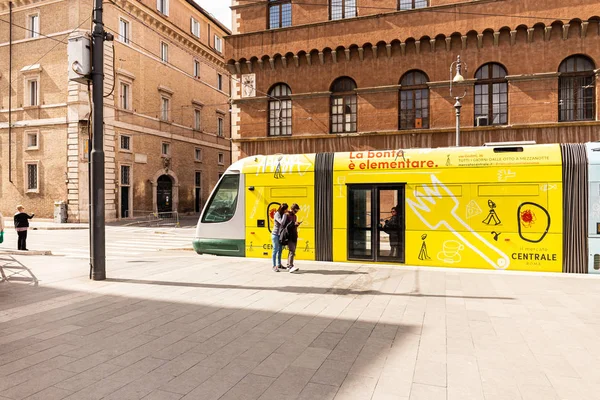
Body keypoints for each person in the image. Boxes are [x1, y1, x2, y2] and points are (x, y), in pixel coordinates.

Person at [280, 203, 301, 273]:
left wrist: (296, 225)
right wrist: (292, 224)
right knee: (292, 250)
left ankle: (289, 265)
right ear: (292, 209)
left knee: (293, 250)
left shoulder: (295, 216)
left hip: (294, 234)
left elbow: (293, 226)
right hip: (288, 235)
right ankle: (290, 266)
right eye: (296, 210)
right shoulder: (286, 215)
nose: (296, 212)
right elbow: (282, 225)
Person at [271, 203, 288, 272]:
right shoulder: (277, 214)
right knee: (275, 250)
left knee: (280, 250)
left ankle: (279, 264)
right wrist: (284, 215)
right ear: (283, 209)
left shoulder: (282, 214)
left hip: (280, 235)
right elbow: (281, 222)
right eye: (286, 209)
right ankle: (274, 266)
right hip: (275, 234)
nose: (286, 211)